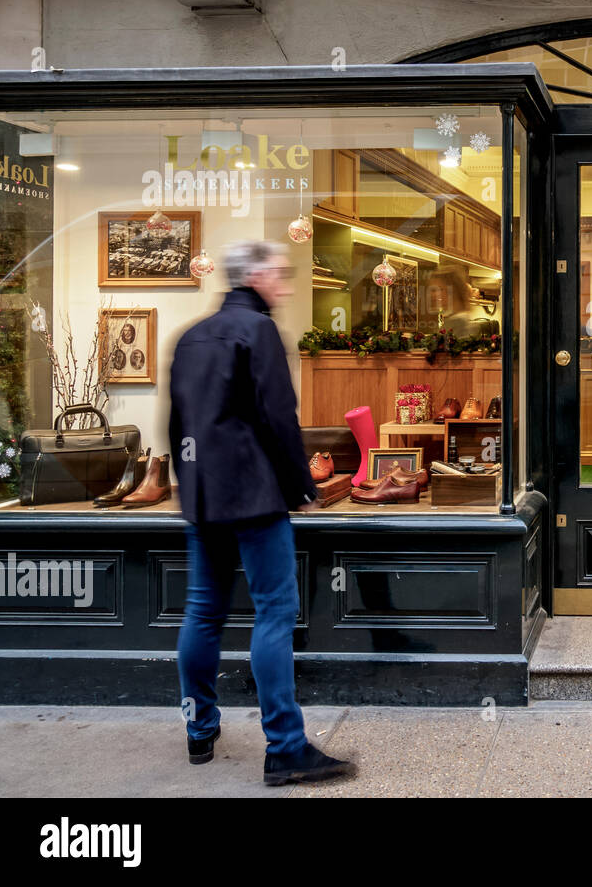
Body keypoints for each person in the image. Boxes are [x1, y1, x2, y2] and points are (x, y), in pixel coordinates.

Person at [170, 240, 355, 787]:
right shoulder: (259, 331)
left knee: (203, 612)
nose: (287, 284)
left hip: (204, 495)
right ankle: (286, 746)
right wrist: (302, 485)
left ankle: (199, 726)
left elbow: (178, 424)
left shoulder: (191, 336)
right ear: (254, 276)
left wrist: (188, 483)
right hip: (254, 494)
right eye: (279, 274)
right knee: (274, 611)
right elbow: (279, 417)